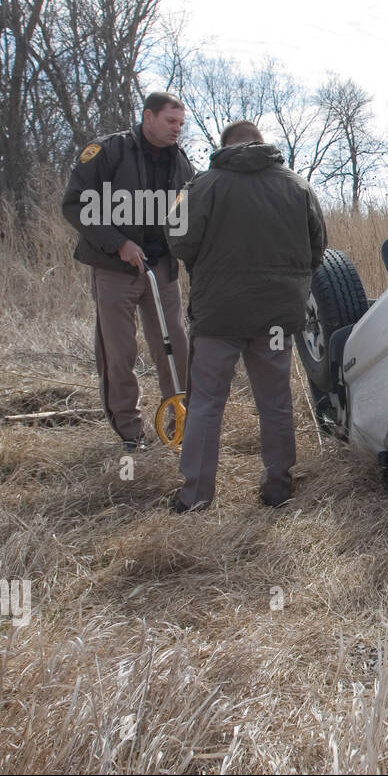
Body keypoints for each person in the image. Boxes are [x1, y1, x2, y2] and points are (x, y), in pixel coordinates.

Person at [167, 120, 326, 512]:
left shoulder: (204, 185)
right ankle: (278, 488)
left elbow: (178, 241)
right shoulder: (297, 186)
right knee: (275, 402)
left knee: (206, 403)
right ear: (260, 143)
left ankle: (195, 496)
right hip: (275, 317)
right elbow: (317, 250)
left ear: (224, 147)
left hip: (219, 315)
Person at [61, 92, 193, 451]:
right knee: (119, 352)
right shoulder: (108, 152)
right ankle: (131, 434)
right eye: (170, 121)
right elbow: (74, 205)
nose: (177, 129)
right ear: (148, 117)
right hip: (114, 268)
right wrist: (118, 242)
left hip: (161, 270)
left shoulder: (182, 163)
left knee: (176, 347)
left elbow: (185, 218)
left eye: (181, 124)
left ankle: (179, 423)